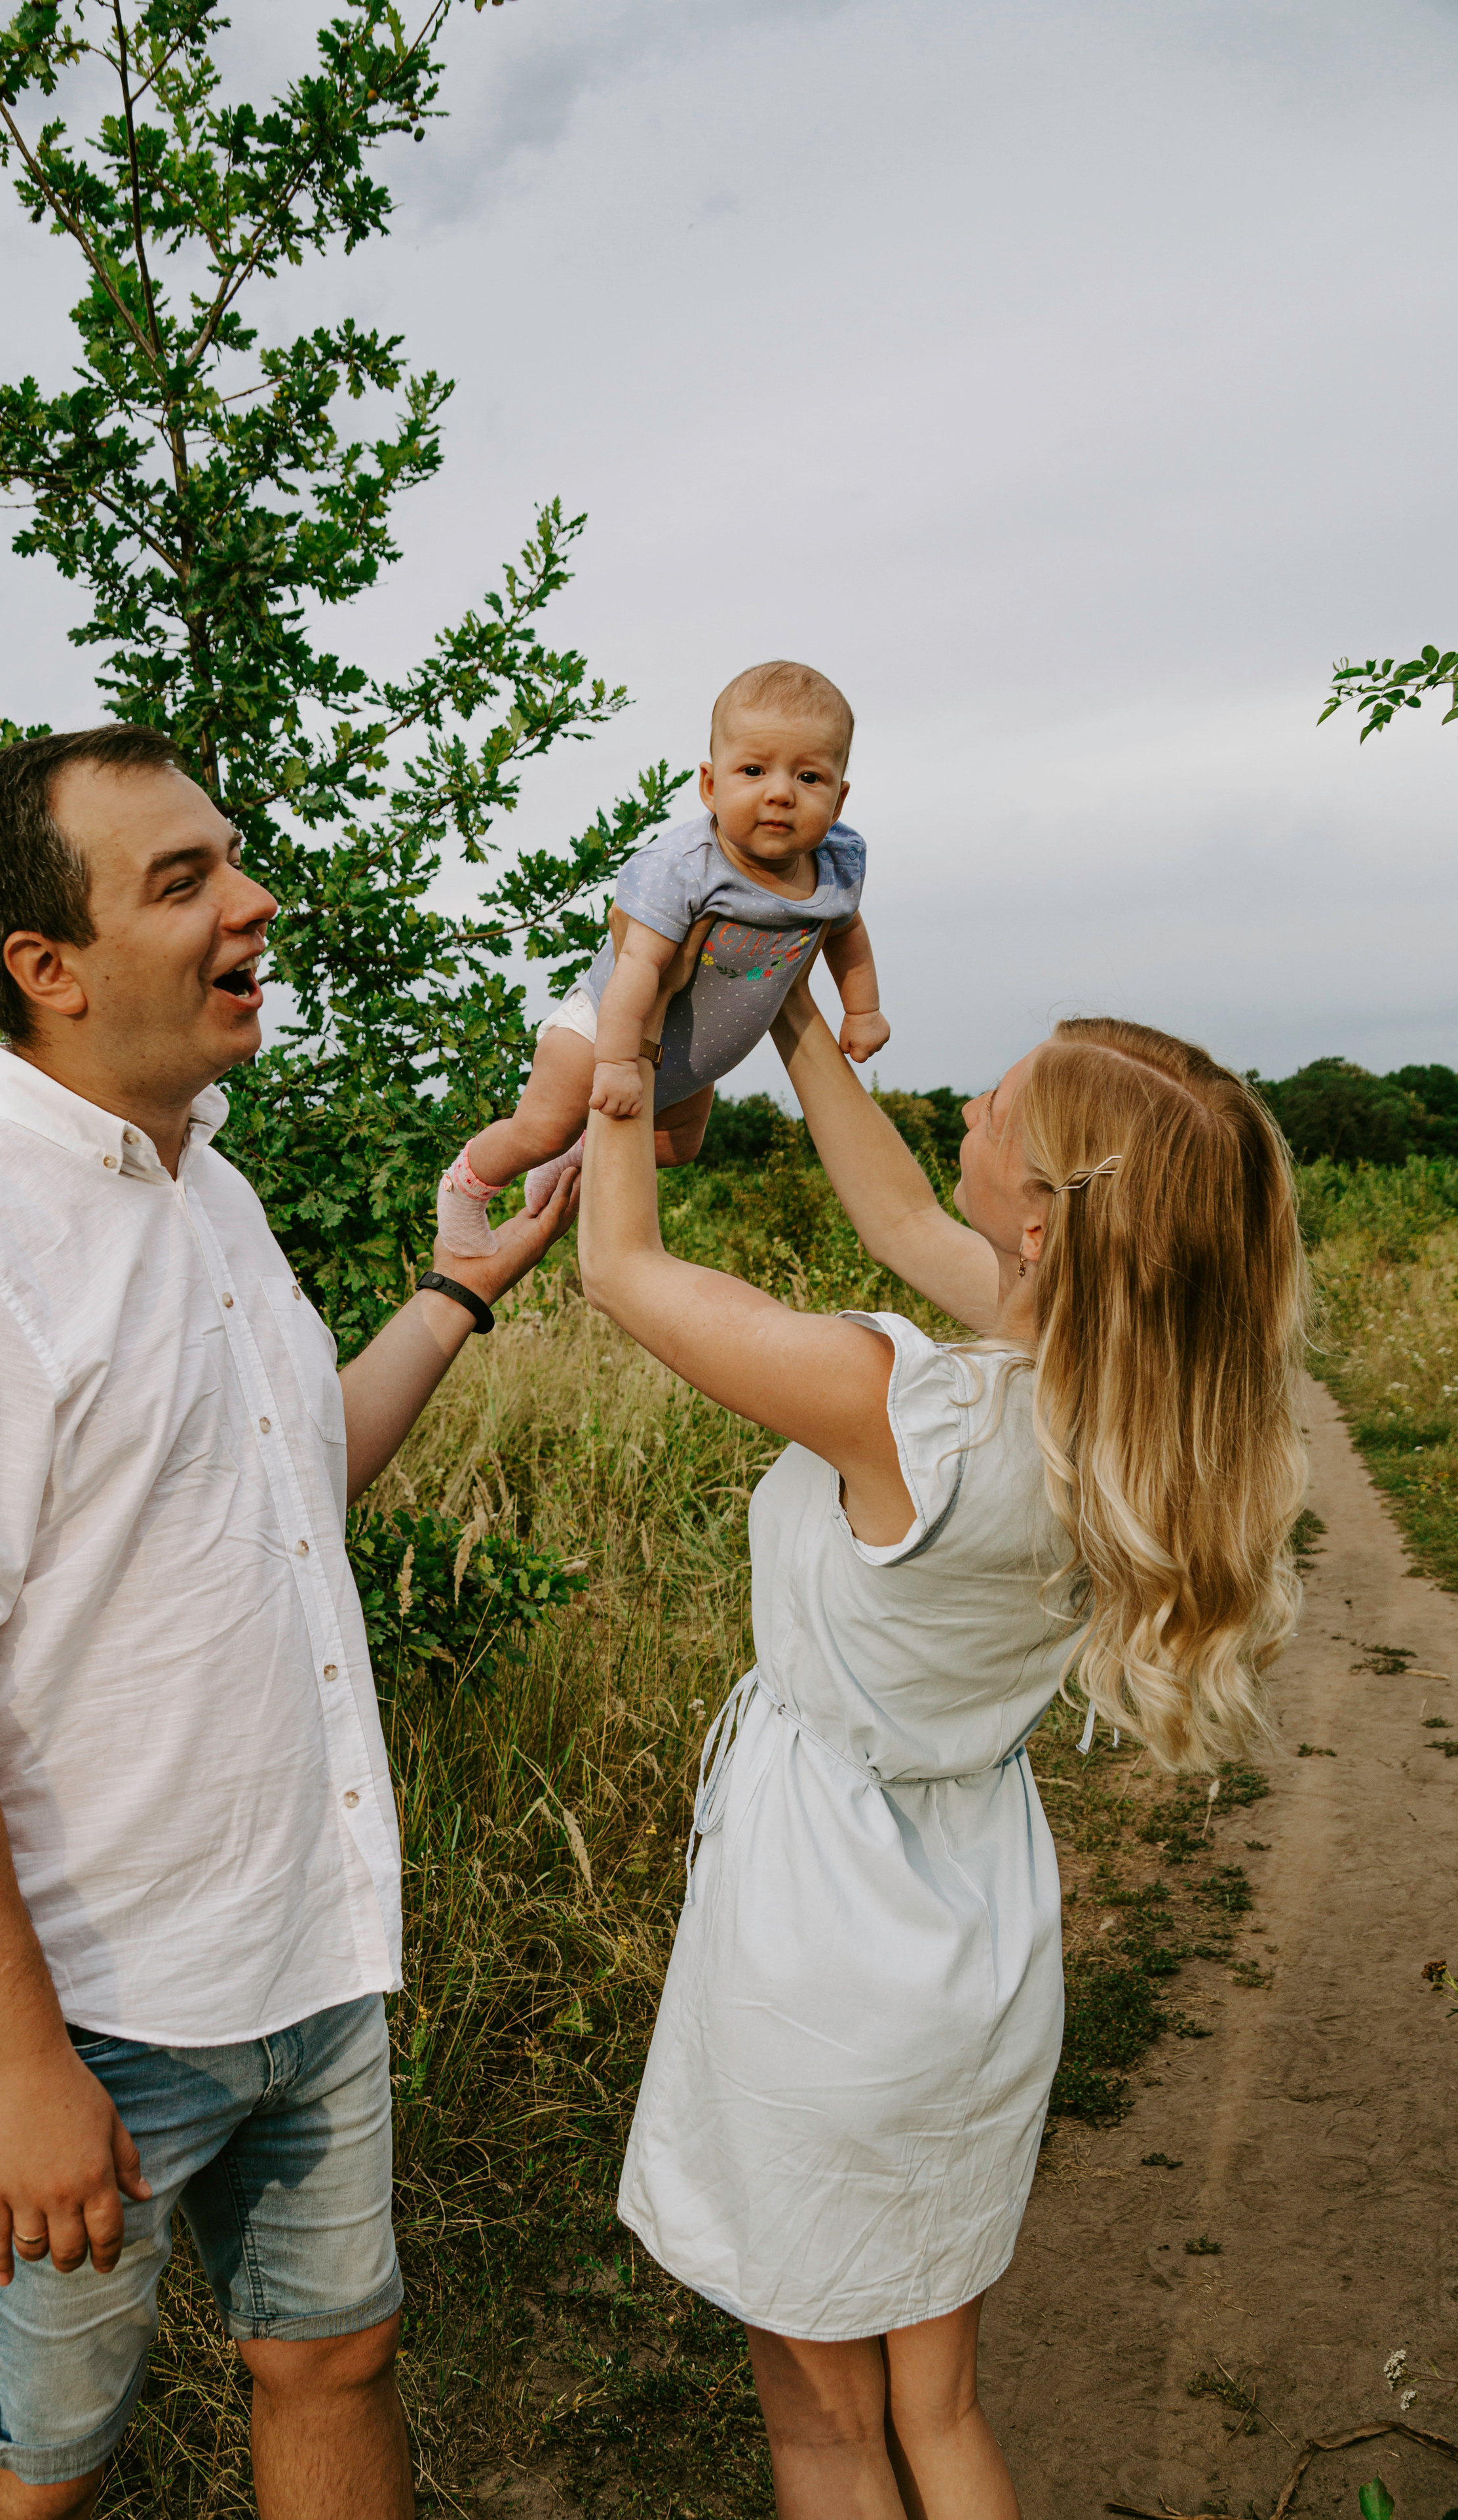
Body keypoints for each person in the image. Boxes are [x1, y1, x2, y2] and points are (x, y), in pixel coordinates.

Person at [0, 726, 576, 2520]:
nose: (253, 899)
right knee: (39, 2461)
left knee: (334, 2355)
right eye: (186, 879)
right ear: (45, 970)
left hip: (306, 1939)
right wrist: (14, 2062)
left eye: (231, 857)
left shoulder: (208, 1184)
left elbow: (293, 1480)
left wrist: (457, 1282)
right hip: (95, 2005)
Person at [576, 980, 1308, 2519]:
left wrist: (623, 1041)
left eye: (1000, 1109)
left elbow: (620, 1269)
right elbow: (907, 1216)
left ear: (1039, 1225)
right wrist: (785, 1018)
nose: (967, 1106)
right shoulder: (1107, 1414)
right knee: (938, 2400)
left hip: (821, 1931)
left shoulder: (895, 1406)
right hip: (968, 1921)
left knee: (825, 2423)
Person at [434, 658, 889, 1255]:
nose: (781, 793)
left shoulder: (836, 864)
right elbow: (638, 966)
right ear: (710, 784)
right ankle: (465, 1187)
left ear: (839, 798)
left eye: (809, 778)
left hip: (694, 1056)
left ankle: (579, 1146)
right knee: (541, 1127)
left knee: (680, 1147)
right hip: (605, 1029)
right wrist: (615, 1062)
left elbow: (847, 930)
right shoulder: (684, 869)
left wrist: (862, 1010)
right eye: (753, 770)